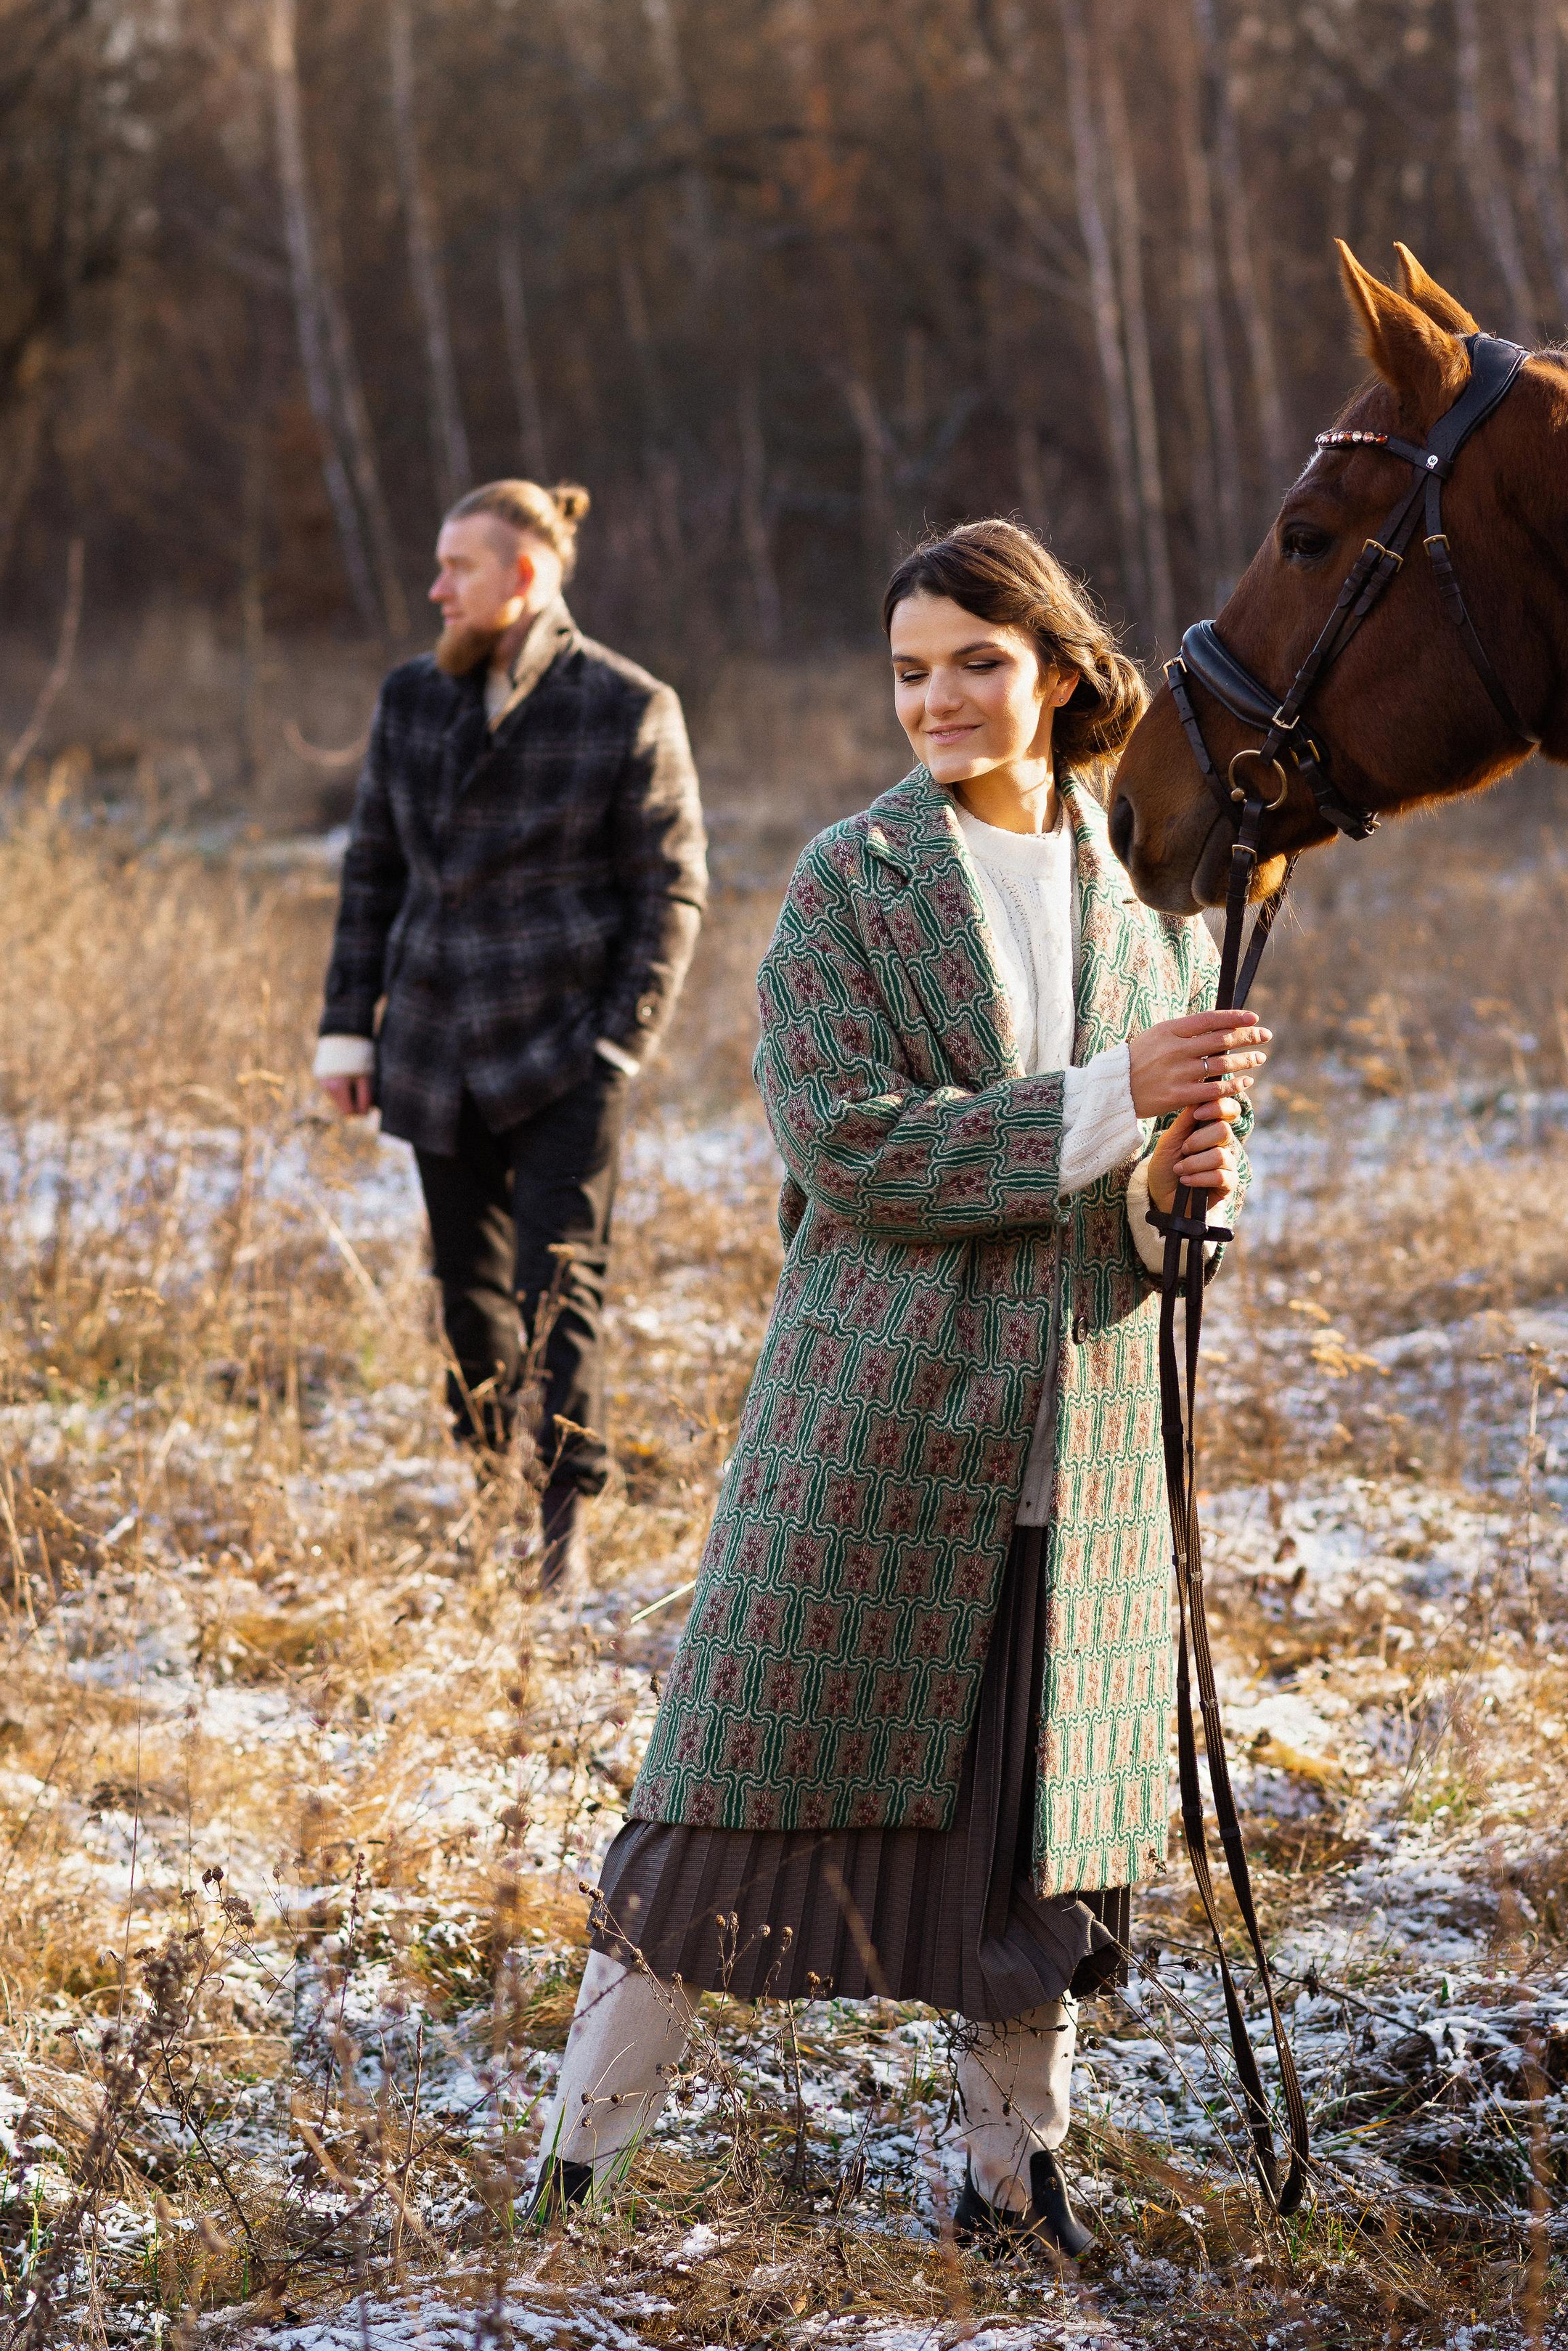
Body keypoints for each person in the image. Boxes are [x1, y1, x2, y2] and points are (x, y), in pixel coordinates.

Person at [529, 518, 1271, 2249]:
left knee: (1043, 1829)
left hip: (1079, 1445)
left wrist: (1182, 1193)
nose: (934, 698)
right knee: (717, 1803)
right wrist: (1109, 1104)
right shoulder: (851, 883)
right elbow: (855, 1151)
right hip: (872, 1421)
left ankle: (1011, 2189)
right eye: (908, 669)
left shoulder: (1146, 889)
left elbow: (1166, 1215)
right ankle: (567, 2185)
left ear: (1063, 675)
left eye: (974, 663)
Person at [314, 479, 707, 1589]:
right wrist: (350, 1031)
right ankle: (493, 1487)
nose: (436, 589)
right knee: (467, 1299)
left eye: (458, 569)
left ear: (522, 576)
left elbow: (672, 890)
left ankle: (558, 1536)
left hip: (565, 1055)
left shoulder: (628, 704)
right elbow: (371, 872)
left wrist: (619, 1043)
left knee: (560, 1294)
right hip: (434, 1045)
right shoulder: (411, 699)